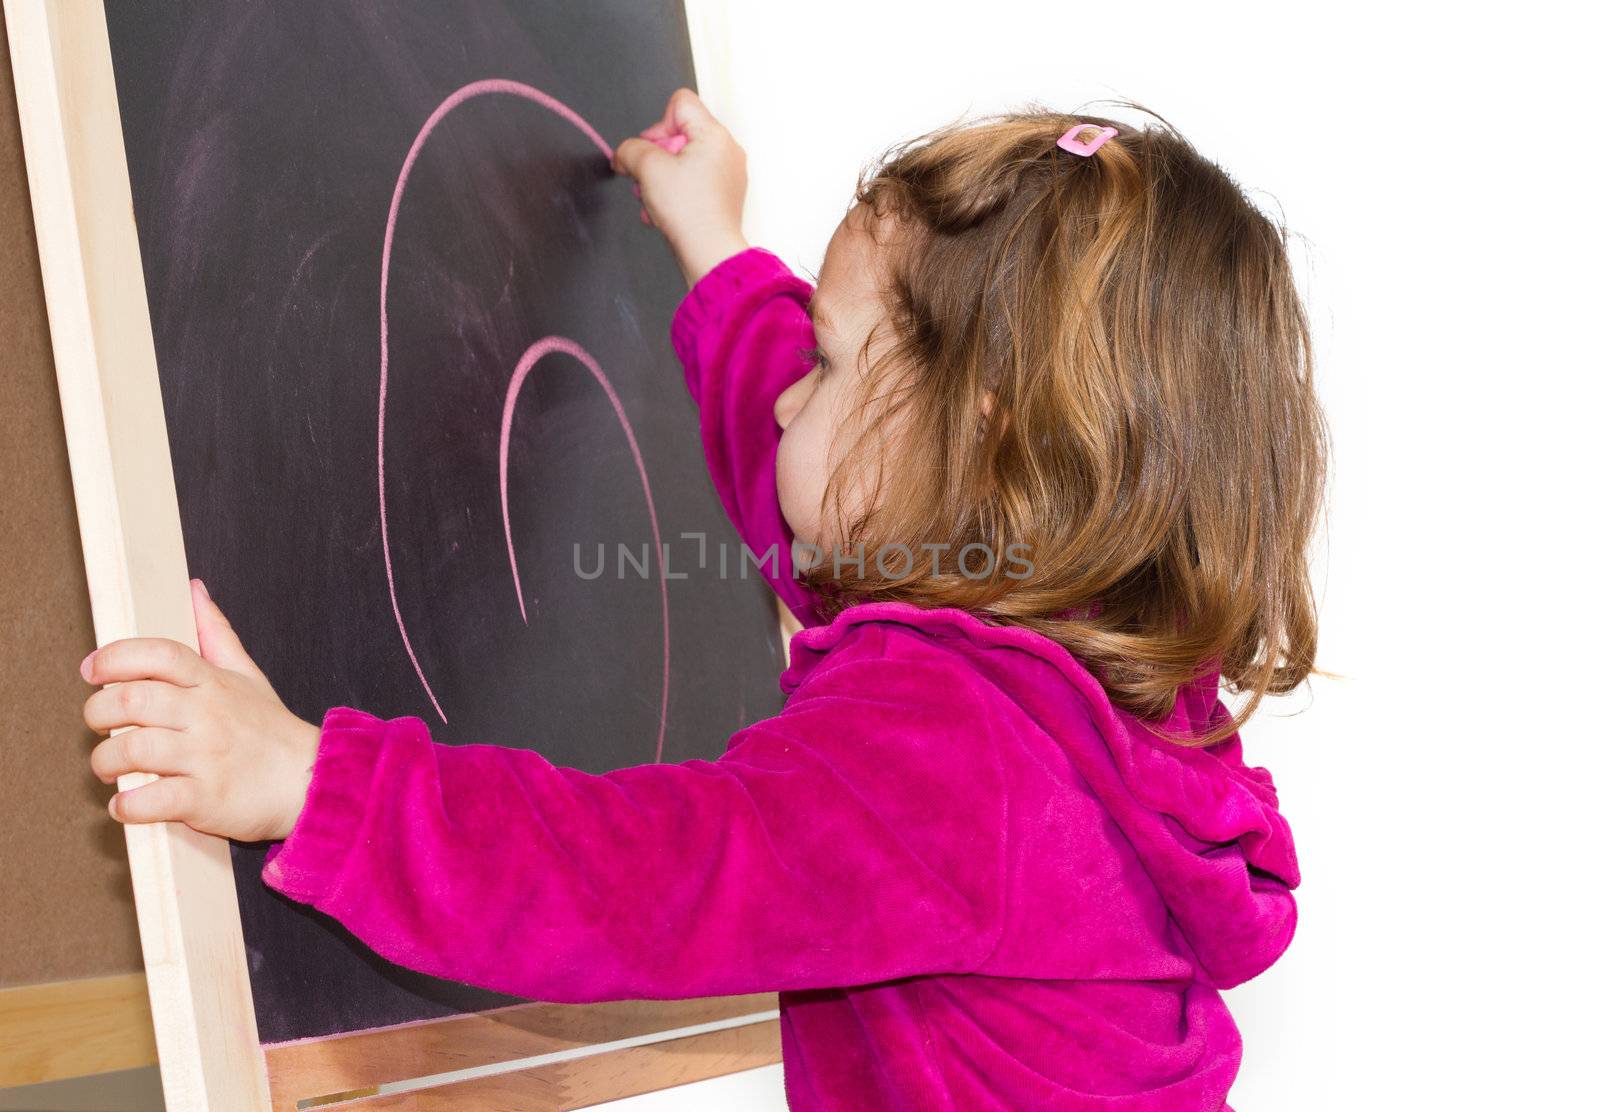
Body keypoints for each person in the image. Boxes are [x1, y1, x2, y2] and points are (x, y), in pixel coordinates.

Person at [81, 88, 1326, 1109]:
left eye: (829, 363)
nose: (791, 397)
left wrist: (312, 784)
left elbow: (635, 879)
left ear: (979, 446)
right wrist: (717, 253)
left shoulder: (956, 761)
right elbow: (818, 489)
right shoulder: (1077, 667)